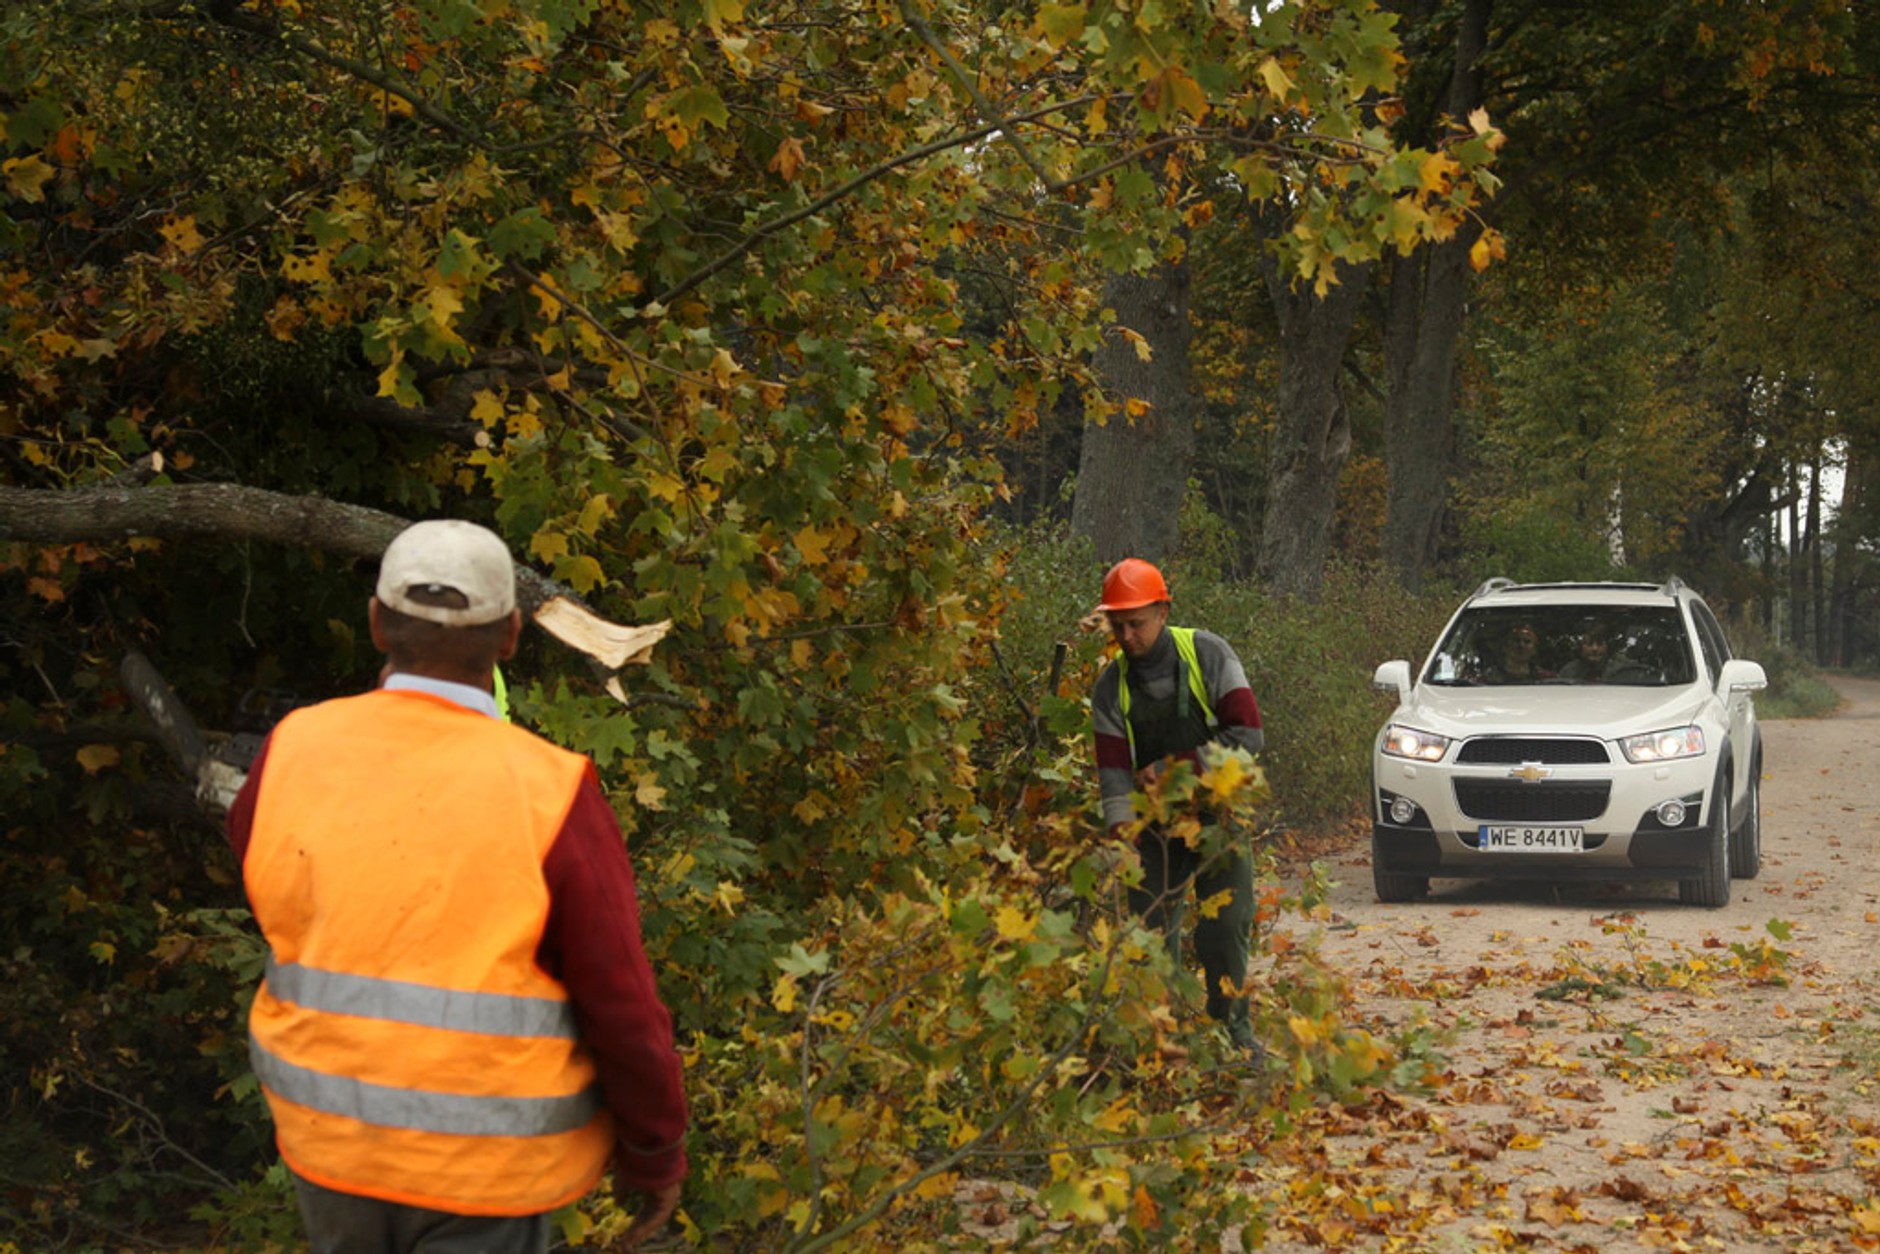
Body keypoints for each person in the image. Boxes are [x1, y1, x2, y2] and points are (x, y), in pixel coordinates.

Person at [225, 520, 687, 1254]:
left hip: (331, 1142)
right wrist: (654, 1151)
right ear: (509, 636)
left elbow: (273, 891)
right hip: (489, 1167)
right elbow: (620, 1001)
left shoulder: (294, 749)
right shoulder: (552, 791)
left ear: (377, 623)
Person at [1088, 558, 1266, 1051]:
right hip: (1154, 831)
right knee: (1149, 941)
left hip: (1218, 815)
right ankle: (1159, 1045)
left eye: (1136, 623)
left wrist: (1173, 770)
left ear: (1163, 611)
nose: (1125, 635)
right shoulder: (1110, 688)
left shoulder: (1208, 653)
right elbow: (1115, 777)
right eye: (1116, 624)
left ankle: (1232, 1036)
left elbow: (1248, 737)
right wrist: (1122, 841)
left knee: (1226, 930)